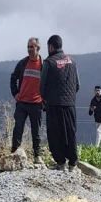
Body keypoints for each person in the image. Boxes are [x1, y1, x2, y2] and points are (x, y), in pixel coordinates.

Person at [40, 35, 80, 170]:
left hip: (54, 104)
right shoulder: (72, 62)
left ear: (50, 46)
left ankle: (60, 162)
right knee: (70, 133)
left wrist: (45, 100)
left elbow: (42, 86)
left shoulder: (48, 62)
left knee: (55, 134)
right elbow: (77, 85)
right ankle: (73, 163)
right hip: (70, 105)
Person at [10, 38, 44, 161]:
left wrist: (44, 100)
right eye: (28, 47)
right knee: (18, 129)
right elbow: (13, 78)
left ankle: (37, 156)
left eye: (32, 47)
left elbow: (49, 84)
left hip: (36, 103)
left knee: (36, 132)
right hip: (22, 103)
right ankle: (14, 154)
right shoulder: (23, 63)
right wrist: (15, 93)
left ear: (38, 48)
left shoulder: (43, 65)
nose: (29, 49)